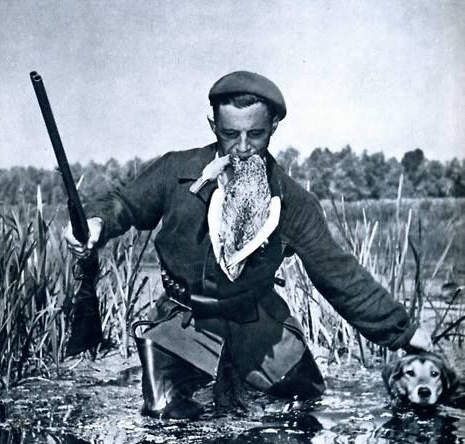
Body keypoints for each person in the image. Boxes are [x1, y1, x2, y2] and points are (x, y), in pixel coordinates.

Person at [65, 70, 432, 419]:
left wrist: (403, 332)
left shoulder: (292, 201)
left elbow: (337, 273)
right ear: (213, 127)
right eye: (230, 134)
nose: (242, 148)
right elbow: (122, 204)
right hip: (184, 320)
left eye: (255, 134)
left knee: (306, 399)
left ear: (273, 127)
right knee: (164, 416)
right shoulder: (174, 171)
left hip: (255, 321)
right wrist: (95, 223)